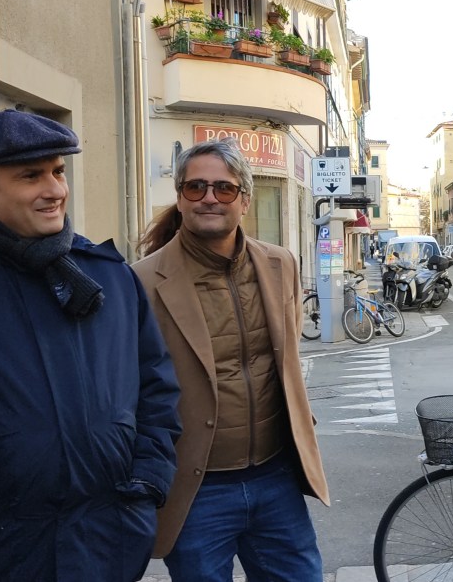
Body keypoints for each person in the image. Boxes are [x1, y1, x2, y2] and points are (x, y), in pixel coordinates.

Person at [0, 110, 181, 581]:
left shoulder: (107, 275)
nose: (55, 189)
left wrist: (147, 483)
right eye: (31, 176)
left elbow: (156, 389)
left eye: (58, 171)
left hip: (106, 541)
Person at [133, 140, 330, 582]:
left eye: (224, 188)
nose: (209, 198)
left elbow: (287, 360)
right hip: (196, 490)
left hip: (276, 478)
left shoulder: (281, 264)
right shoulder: (141, 282)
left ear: (245, 200)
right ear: (180, 198)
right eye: (196, 187)